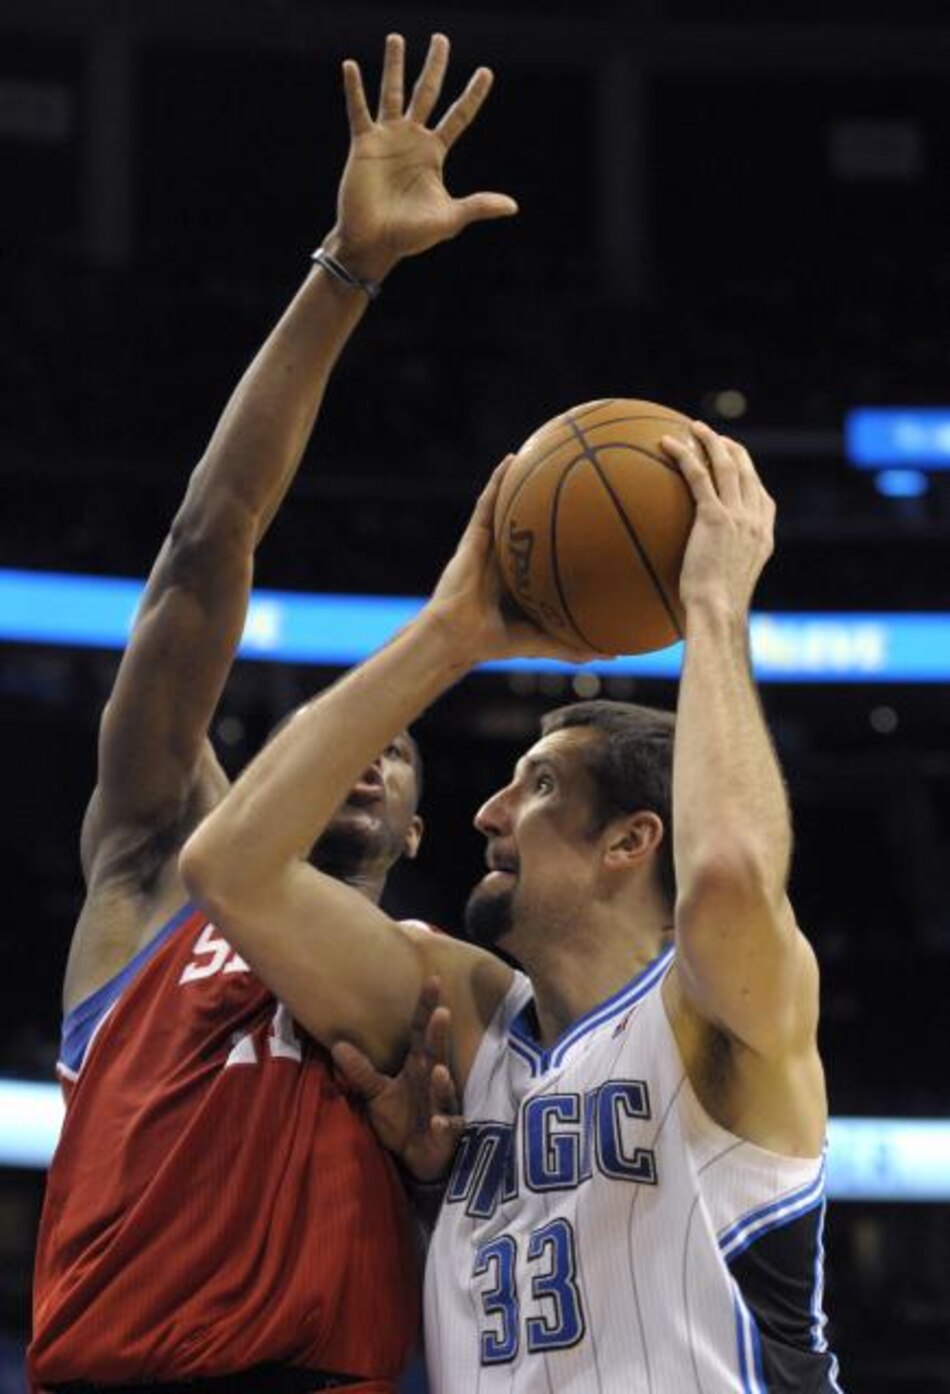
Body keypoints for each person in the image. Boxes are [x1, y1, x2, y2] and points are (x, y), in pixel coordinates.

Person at [30, 32, 511, 1394]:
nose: (368, 754)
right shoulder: (149, 876)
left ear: (422, 825)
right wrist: (347, 272)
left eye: (396, 747)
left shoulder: (452, 987)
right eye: (347, 734)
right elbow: (202, 550)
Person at [182, 425, 843, 1392]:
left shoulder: (721, 1013)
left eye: (534, 788)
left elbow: (733, 873)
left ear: (631, 840)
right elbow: (231, 869)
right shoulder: (469, 1015)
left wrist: (712, 606)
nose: (486, 813)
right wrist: (453, 632)